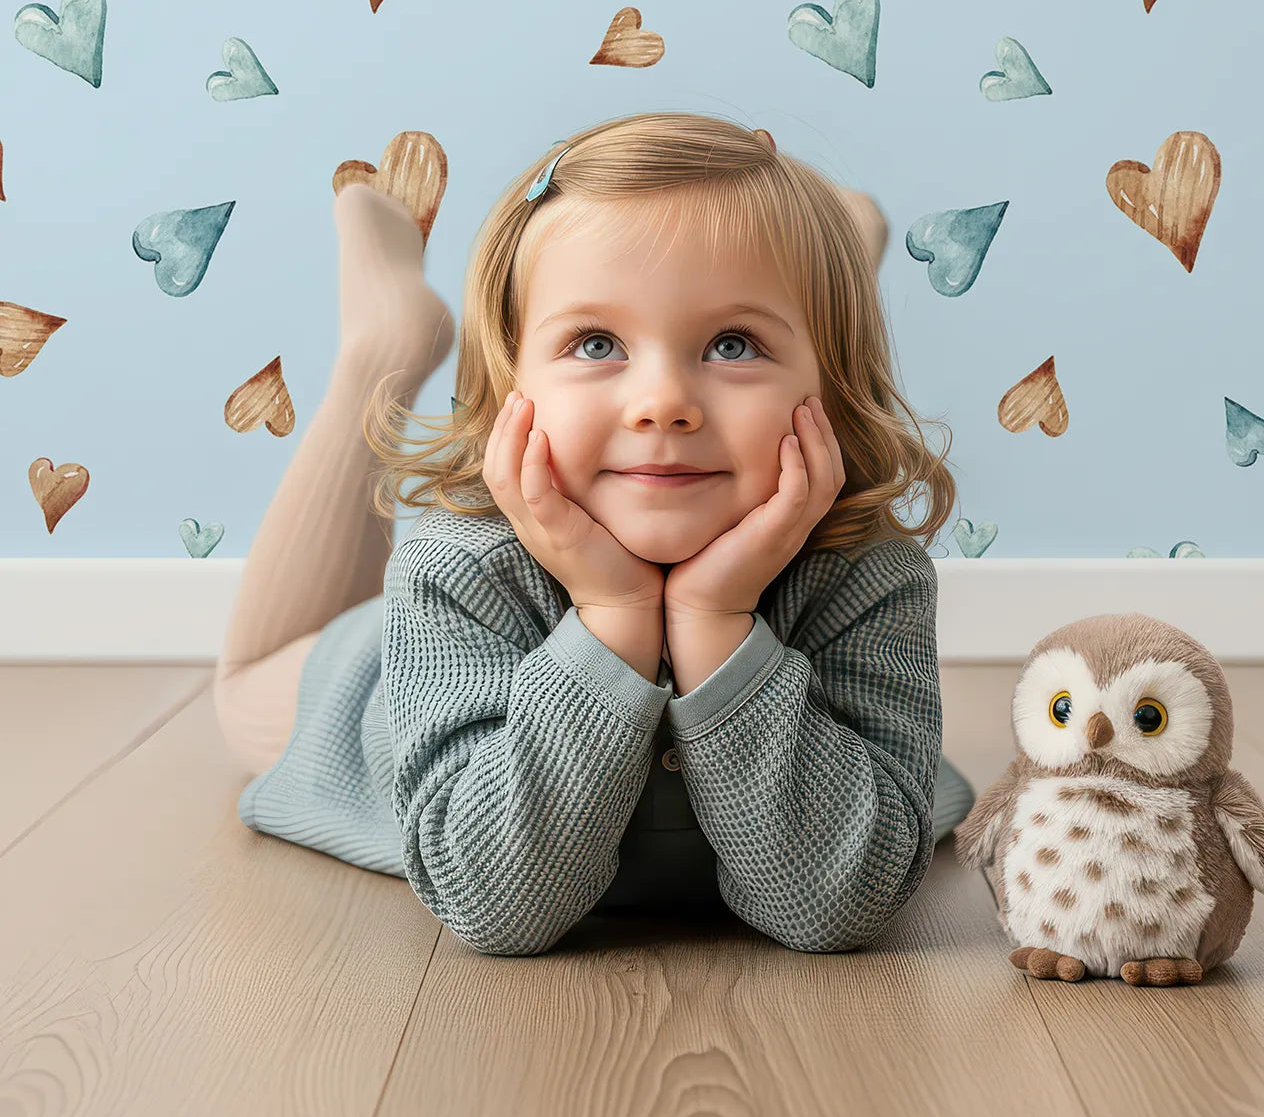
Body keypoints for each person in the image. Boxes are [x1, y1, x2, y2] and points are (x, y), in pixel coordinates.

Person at [214, 111, 975, 957]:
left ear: (827, 391)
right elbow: (496, 907)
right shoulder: (458, 566)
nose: (663, 402)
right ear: (513, 381)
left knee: (788, 290)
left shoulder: (867, 575)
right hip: (381, 686)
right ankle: (385, 344)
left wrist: (716, 624)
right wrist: (612, 611)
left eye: (732, 343)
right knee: (244, 686)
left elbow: (839, 905)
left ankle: (822, 276)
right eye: (597, 341)